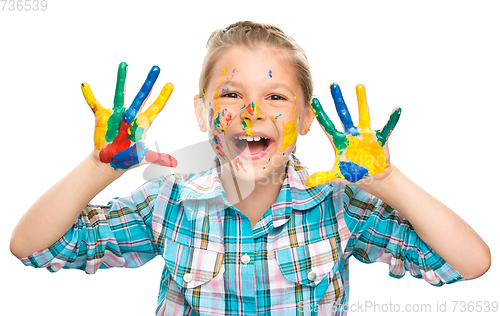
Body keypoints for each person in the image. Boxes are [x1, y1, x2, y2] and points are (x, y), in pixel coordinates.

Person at [10, 21, 490, 315]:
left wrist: (388, 181)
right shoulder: (169, 202)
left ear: (306, 120)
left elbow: (468, 263)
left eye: (275, 97)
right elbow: (33, 246)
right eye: (231, 94)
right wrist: (100, 167)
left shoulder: (339, 207)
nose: (251, 112)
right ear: (201, 113)